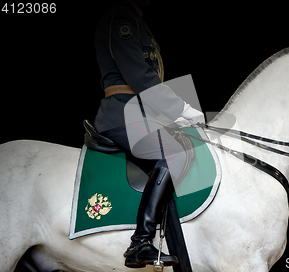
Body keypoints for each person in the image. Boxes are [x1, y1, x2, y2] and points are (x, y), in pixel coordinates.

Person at [93, 0, 204, 268]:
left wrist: (171, 116)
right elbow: (140, 76)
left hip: (142, 115)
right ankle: (140, 242)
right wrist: (181, 108)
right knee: (177, 151)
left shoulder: (135, 19)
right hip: (122, 114)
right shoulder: (121, 19)